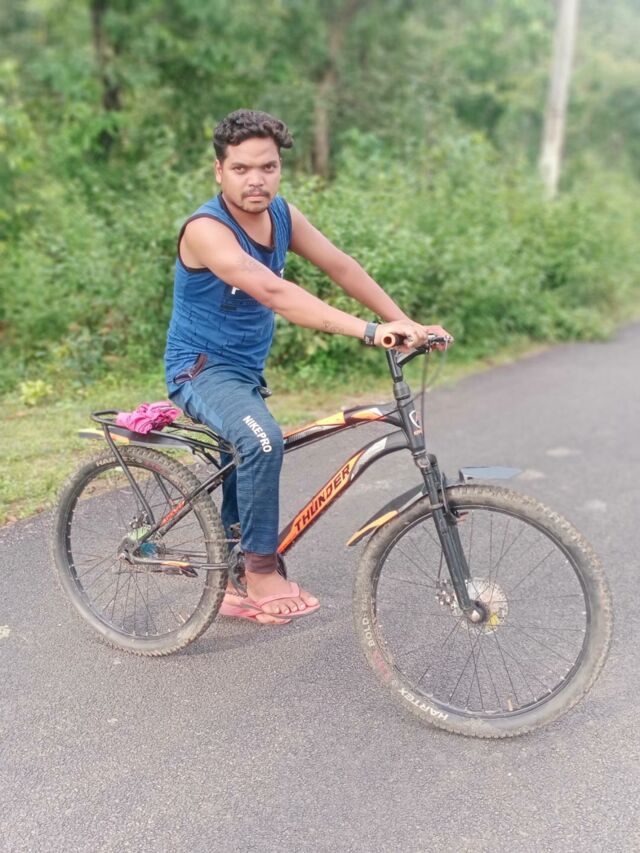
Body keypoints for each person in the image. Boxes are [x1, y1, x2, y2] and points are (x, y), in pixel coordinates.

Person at [165, 109, 452, 624]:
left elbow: (341, 266)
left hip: (245, 373)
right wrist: (369, 331)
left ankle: (226, 576)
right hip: (200, 370)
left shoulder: (282, 216)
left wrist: (404, 321)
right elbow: (274, 292)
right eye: (241, 169)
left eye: (268, 167)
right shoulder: (206, 230)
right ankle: (259, 572)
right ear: (219, 171)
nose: (256, 180)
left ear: (280, 168)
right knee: (262, 441)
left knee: (247, 450)